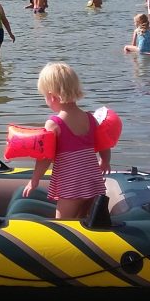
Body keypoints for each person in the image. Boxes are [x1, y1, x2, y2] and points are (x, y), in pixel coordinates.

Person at [22, 62, 111, 219]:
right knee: (85, 221)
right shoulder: (90, 118)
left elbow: (46, 157)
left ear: (52, 96)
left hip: (71, 185)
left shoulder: (54, 123)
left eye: (44, 96)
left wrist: (34, 180)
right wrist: (105, 161)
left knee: (63, 225)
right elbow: (103, 144)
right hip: (93, 180)